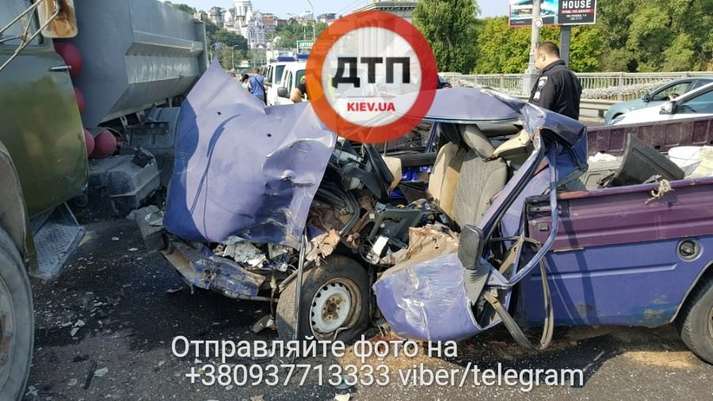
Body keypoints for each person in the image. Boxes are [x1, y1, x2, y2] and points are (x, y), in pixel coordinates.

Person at [529, 41, 582, 120]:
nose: (535, 64)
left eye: (535, 60)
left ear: (543, 57)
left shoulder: (549, 76)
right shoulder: (572, 76)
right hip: (570, 126)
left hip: (551, 126)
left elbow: (539, 110)